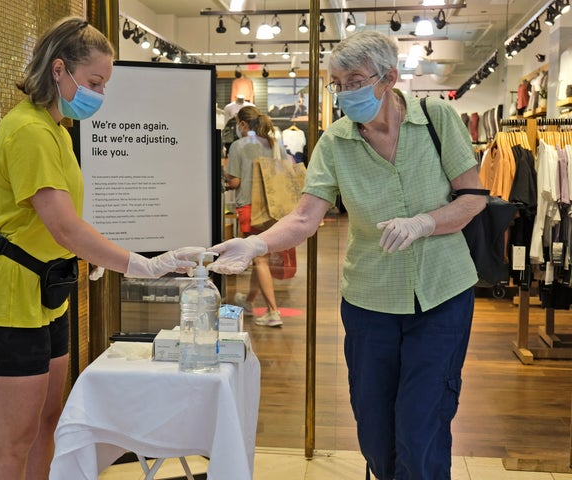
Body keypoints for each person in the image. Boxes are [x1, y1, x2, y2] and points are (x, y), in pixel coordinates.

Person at [208, 30, 487, 479]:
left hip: (441, 296)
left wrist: (424, 223)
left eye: (355, 80)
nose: (344, 93)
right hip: (370, 303)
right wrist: (255, 244)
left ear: (389, 78)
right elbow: (303, 218)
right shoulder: (335, 143)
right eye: (337, 83)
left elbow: (473, 198)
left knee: (421, 428)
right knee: (375, 429)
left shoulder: (436, 119)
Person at [0, 17, 203, 480]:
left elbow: (62, 227)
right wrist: (143, 266)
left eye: (104, 84)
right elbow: (65, 226)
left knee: (47, 422)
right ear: (58, 70)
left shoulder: (56, 128)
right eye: (94, 82)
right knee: (14, 437)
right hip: (8, 295)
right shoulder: (27, 130)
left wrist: (83, 256)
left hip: (47, 290)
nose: (100, 95)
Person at [224, 105, 290, 327]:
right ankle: (250, 301)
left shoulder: (239, 146)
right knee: (259, 254)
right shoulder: (273, 143)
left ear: (243, 124)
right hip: (273, 206)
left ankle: (273, 311)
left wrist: (225, 176)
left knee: (259, 259)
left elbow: (236, 181)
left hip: (251, 207)